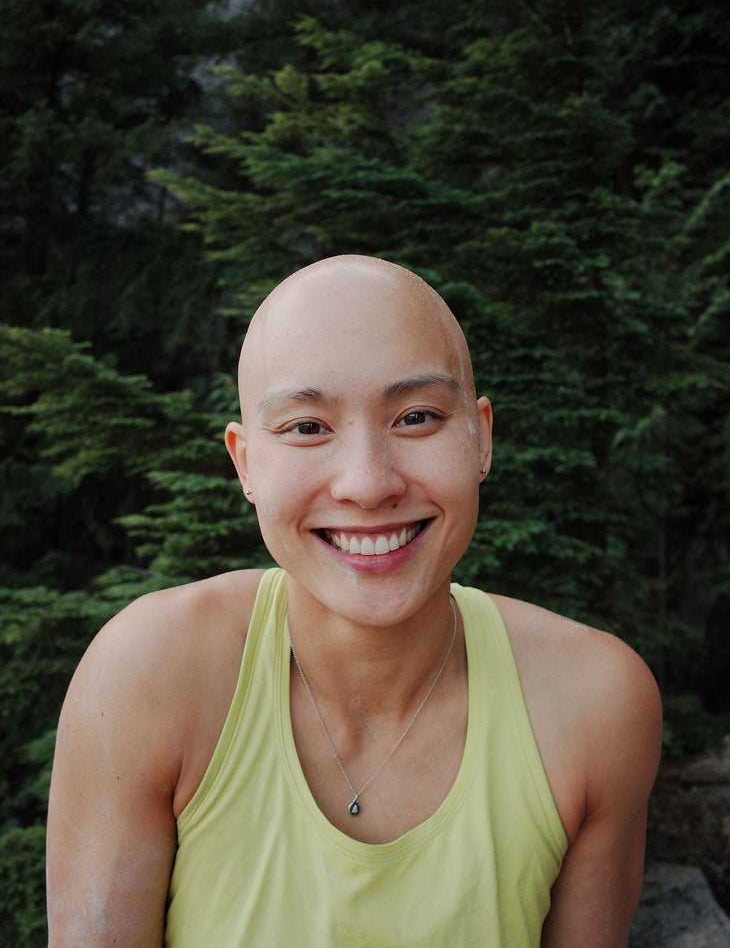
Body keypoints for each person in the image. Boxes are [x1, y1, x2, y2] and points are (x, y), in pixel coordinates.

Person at [46, 254, 662, 947]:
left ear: (481, 437)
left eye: (417, 417)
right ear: (245, 463)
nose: (368, 484)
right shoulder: (149, 675)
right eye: (307, 427)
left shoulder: (593, 704)